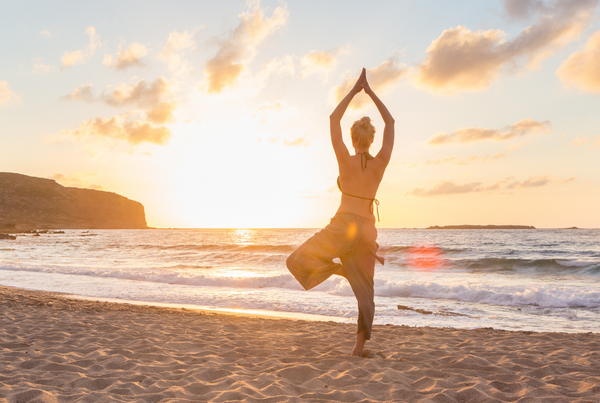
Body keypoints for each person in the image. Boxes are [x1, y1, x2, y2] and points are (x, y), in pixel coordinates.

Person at [286, 68, 395, 356]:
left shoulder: (344, 160)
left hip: (343, 224)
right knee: (366, 293)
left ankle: (340, 270)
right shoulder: (380, 162)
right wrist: (371, 92)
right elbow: (391, 121)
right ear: (371, 139)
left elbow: (333, 118)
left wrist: (355, 90)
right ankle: (358, 349)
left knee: (296, 261)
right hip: (368, 229)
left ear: (352, 138)